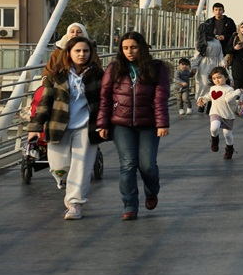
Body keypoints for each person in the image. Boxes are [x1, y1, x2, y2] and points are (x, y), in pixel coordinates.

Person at [97, 31, 170, 221]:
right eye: (126, 48)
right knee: (128, 164)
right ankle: (129, 205)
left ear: (142, 48)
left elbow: (161, 97)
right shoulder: (114, 68)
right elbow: (104, 98)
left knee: (148, 166)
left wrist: (162, 123)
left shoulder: (156, 68)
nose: (130, 51)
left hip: (149, 123)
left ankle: (152, 191)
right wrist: (102, 124)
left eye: (134, 47)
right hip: (121, 124)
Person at [28, 37, 103, 220]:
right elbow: (45, 102)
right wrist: (35, 126)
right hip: (58, 124)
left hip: (86, 125)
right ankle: (64, 181)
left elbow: (104, 102)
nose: (81, 54)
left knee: (82, 166)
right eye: (77, 51)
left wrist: (105, 124)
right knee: (59, 166)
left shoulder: (98, 75)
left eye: (85, 51)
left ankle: (75, 203)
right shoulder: (56, 75)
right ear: (68, 53)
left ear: (90, 53)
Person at [196, 67, 242, 159]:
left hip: (227, 114)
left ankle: (229, 148)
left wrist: (237, 92)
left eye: (219, 77)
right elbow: (209, 97)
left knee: (227, 135)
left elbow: (228, 99)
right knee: (214, 127)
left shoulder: (229, 89)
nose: (217, 80)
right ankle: (214, 139)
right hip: (215, 112)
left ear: (226, 77)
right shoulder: (213, 88)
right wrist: (202, 100)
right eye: (214, 78)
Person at [192, 22, 226, 112]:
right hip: (204, 64)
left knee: (214, 84)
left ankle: (211, 104)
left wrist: (223, 63)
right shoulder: (202, 42)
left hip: (215, 63)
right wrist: (194, 66)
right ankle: (202, 103)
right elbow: (197, 56)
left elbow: (220, 54)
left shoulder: (216, 41)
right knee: (204, 84)